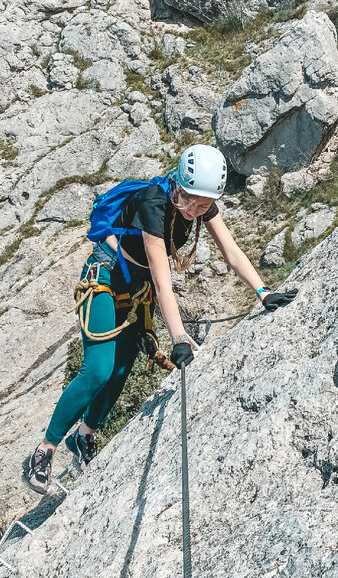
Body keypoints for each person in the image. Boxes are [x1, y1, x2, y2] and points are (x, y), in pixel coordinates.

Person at [26, 144, 297, 493]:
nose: (196, 211)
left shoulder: (202, 205)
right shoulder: (154, 204)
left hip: (135, 285)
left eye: (205, 204)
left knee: (122, 369)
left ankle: (84, 437)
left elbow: (231, 250)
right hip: (105, 278)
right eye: (193, 201)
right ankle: (44, 449)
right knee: (97, 370)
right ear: (179, 187)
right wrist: (179, 338)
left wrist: (263, 292)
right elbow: (162, 279)